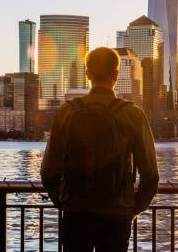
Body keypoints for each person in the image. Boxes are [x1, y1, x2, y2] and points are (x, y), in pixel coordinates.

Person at [41, 47, 159, 251]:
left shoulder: (66, 112)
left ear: (87, 74)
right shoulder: (132, 114)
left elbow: (48, 170)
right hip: (117, 214)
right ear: (116, 74)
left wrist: (64, 201)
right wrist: (131, 207)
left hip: (75, 212)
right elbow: (150, 175)